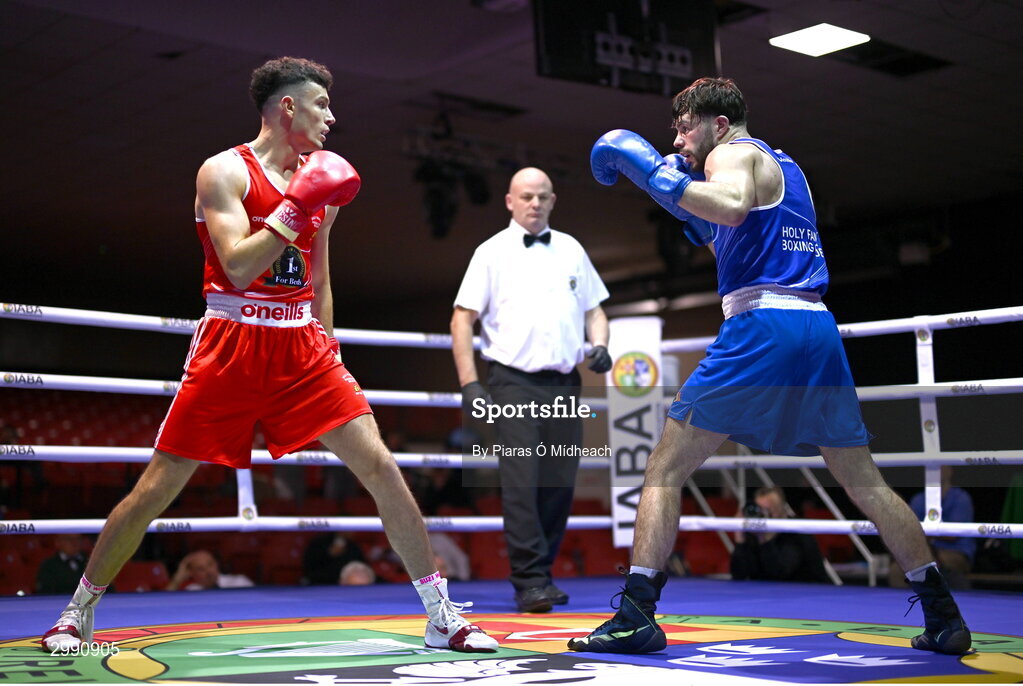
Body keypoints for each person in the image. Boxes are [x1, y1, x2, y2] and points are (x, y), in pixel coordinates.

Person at [41, 56, 496, 654]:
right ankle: (77, 613)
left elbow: (320, 273)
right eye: (321, 105)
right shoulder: (223, 172)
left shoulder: (323, 182)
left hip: (302, 347)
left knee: (382, 466)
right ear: (288, 107)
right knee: (159, 486)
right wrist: (291, 207)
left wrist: (330, 348)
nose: (332, 118)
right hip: (232, 343)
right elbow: (235, 266)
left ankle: (441, 614)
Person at [568, 77, 970, 655]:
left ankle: (635, 615)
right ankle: (944, 616)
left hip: (762, 327)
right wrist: (674, 194)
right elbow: (727, 231)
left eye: (685, 128)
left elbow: (727, 208)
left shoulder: (731, 154)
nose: (678, 140)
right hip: (814, 327)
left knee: (663, 468)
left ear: (718, 125)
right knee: (865, 482)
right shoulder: (787, 168)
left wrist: (657, 174)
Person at [451, 167, 612, 612]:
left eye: (542, 196)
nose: (534, 203)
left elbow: (596, 311)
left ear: (553, 199)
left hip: (565, 383)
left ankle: (542, 571)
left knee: (558, 483)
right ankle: (529, 580)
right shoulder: (491, 252)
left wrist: (600, 345)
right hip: (513, 382)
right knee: (521, 480)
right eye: (526, 196)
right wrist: (470, 383)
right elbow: (462, 318)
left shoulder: (572, 249)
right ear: (509, 201)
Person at [889, 466, 975, 590]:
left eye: (941, 465)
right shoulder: (919, 499)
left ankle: (938, 603)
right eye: (934, 466)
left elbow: (952, 535)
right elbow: (908, 530)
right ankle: (905, 605)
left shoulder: (961, 498)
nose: (937, 469)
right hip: (923, 551)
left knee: (928, 564)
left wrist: (921, 532)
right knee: (896, 570)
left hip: (955, 553)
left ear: (950, 471)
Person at [730, 487, 828, 583]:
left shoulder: (796, 531)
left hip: (809, 592)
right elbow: (738, 575)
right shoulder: (754, 531)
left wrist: (763, 539)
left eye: (767, 509)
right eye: (758, 508)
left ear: (780, 510)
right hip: (767, 594)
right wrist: (740, 537)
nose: (761, 514)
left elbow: (779, 574)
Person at [165, 550, 253, 591]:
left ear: (216, 564)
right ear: (192, 574)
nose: (208, 571)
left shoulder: (240, 582)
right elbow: (164, 602)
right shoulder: (192, 591)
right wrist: (177, 580)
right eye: (201, 569)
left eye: (210, 564)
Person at [302, 532, 366, 586]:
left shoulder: (354, 547)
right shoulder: (319, 542)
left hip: (346, 587)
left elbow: (362, 566)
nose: (350, 531)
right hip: (320, 583)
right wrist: (328, 554)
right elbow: (309, 565)